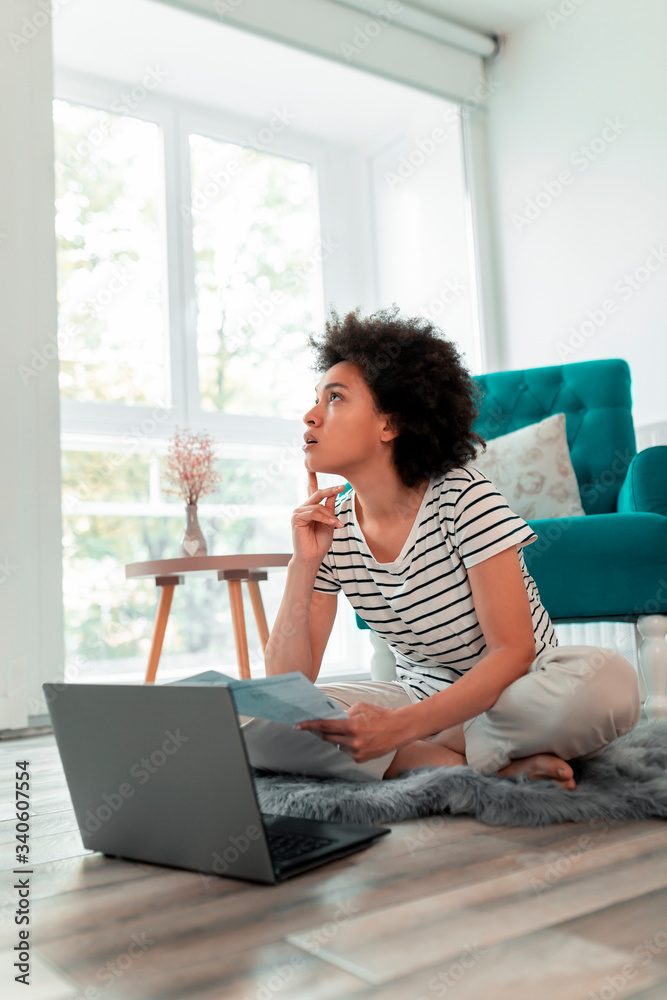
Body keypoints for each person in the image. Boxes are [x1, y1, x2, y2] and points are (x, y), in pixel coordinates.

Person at [241, 306, 640, 788]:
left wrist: (398, 730)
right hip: (421, 697)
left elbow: (513, 654)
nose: (310, 415)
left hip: (517, 695)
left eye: (335, 398)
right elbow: (289, 687)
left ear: (390, 424)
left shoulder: (463, 495)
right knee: (249, 720)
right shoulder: (332, 527)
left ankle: (424, 754)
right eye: (316, 400)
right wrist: (302, 564)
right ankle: (467, 764)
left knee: (612, 685)